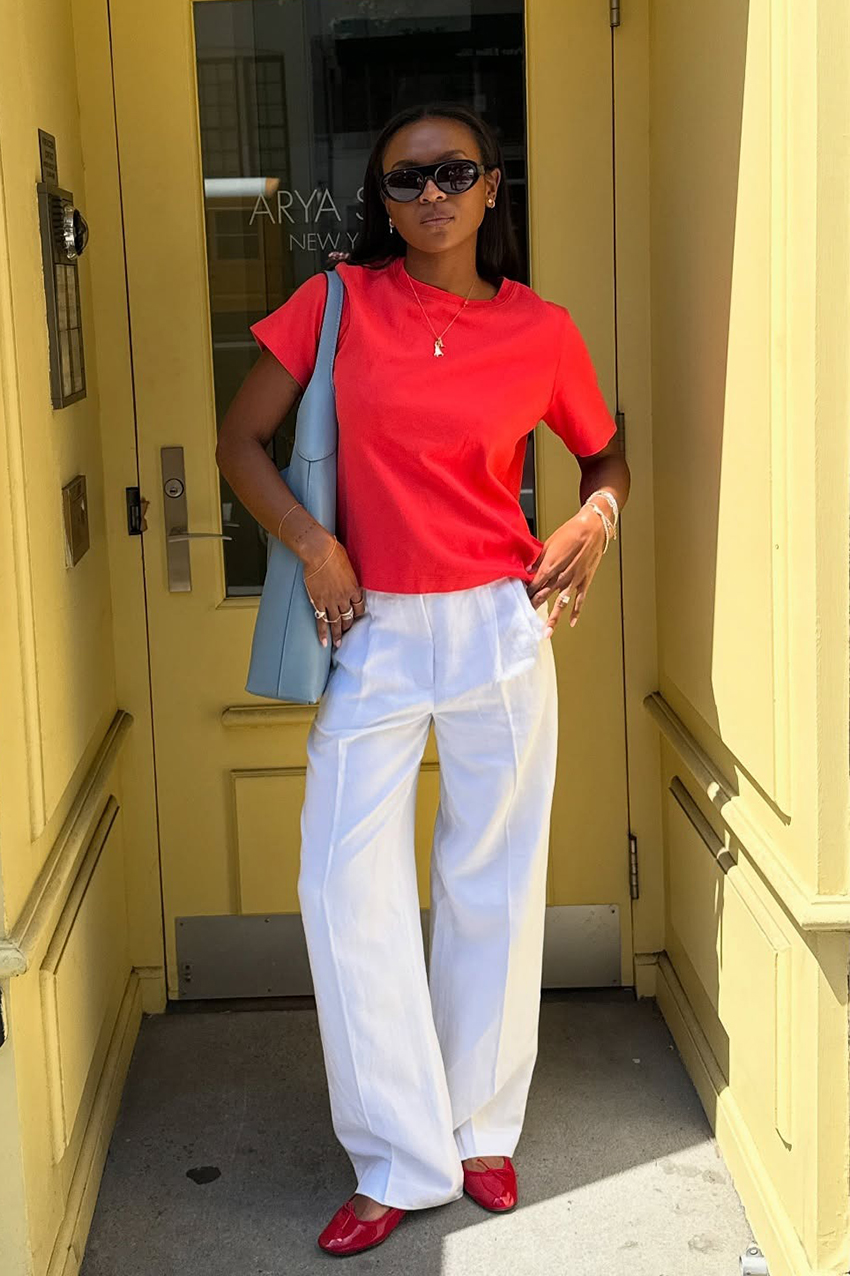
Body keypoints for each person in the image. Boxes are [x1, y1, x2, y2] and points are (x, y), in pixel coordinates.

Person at [215, 100, 631, 1256]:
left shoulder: (540, 330)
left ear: (492, 188)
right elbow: (237, 440)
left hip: (501, 623)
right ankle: (397, 1153)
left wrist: (594, 517)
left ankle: (478, 1127)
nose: (431, 194)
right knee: (345, 885)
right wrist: (312, 541)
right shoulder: (336, 304)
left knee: (493, 878)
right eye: (405, 180)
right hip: (376, 627)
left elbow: (605, 451)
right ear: (381, 201)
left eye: (453, 173)